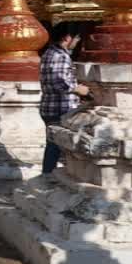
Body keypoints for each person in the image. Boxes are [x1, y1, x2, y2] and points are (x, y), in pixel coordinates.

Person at [38, 23, 88, 175]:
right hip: (60, 108)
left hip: (52, 106)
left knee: (54, 144)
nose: (77, 41)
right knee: (57, 145)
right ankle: (49, 176)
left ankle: (50, 174)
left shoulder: (49, 53)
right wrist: (80, 89)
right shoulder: (60, 56)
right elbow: (59, 81)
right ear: (67, 38)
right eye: (76, 38)